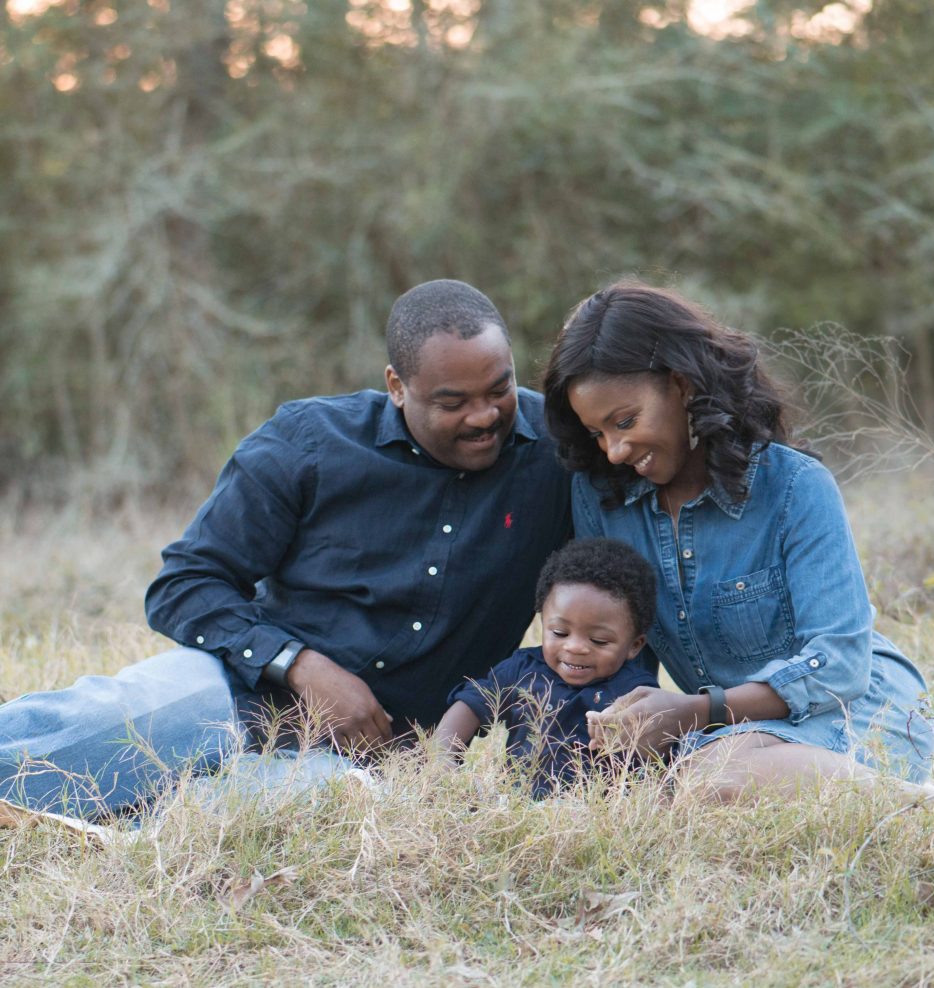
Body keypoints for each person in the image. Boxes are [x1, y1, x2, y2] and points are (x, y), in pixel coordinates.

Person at [0, 280, 572, 818]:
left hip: (368, 763)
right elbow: (185, 584)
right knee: (97, 724)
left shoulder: (558, 454)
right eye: (453, 403)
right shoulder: (311, 442)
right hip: (233, 688)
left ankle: (131, 817)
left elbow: (612, 588)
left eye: (499, 388)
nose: (485, 416)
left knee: (307, 809)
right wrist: (300, 665)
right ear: (397, 386)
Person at [542, 281, 934, 800]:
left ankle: (920, 801)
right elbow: (616, 641)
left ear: (681, 385)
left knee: (712, 781)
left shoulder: (795, 487)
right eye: (598, 433)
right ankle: (856, 788)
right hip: (724, 737)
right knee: (676, 788)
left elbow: (840, 664)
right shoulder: (601, 499)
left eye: (625, 421)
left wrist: (696, 711)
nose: (614, 450)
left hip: (858, 711)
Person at [435, 537, 660, 797]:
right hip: (518, 810)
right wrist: (443, 755)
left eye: (598, 640)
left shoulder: (635, 691)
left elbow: (657, 757)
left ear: (635, 645)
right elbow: (472, 703)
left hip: (593, 818)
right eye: (560, 632)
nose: (575, 647)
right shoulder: (523, 669)